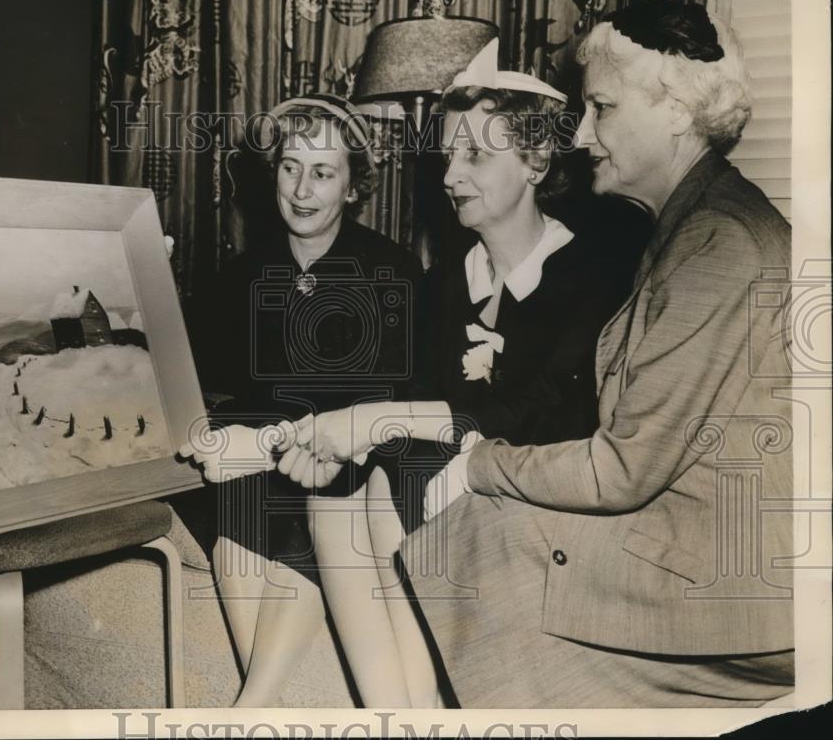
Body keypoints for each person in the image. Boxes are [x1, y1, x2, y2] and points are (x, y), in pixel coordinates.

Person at [293, 0, 794, 707]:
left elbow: (612, 463)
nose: (583, 134)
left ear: (678, 111)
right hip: (679, 521)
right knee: (371, 493)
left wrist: (466, 463)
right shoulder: (692, 226)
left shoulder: (712, 242)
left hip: (717, 578)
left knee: (464, 523)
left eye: (602, 108)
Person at [275, 53, 650, 706]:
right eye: (448, 156)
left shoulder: (593, 271)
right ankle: (395, 712)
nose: (451, 176)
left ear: (536, 163)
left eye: (475, 156)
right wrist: (344, 437)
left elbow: (540, 410)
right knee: (335, 495)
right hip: (446, 485)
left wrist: (377, 426)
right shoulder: (451, 280)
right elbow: (416, 395)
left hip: (542, 496)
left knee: (395, 479)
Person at [182, 94, 422, 706]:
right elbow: (213, 378)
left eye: (323, 173)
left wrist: (262, 443)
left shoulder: (386, 270)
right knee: (237, 499)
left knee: (321, 484)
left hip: (354, 455)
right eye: (291, 167)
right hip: (266, 456)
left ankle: (250, 709)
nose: (303, 189)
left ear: (352, 187)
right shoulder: (244, 273)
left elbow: (371, 407)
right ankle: (263, 708)